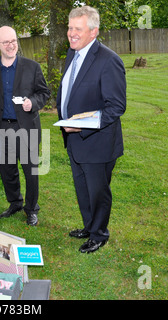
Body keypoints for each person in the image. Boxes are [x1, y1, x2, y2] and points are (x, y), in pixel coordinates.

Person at [56, 6, 126, 253]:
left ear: (93, 31)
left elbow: (116, 107)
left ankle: (99, 234)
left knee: (98, 192)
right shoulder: (72, 54)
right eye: (69, 28)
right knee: (82, 189)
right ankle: (89, 226)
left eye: (77, 29)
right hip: (74, 139)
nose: (71, 33)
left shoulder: (109, 60)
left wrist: (81, 126)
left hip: (97, 142)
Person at [0, 26, 50, 226]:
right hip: (1, 127)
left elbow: (44, 93)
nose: (11, 45)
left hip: (26, 127)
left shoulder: (32, 67)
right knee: (7, 170)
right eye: (6, 42)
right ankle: (15, 203)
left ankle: (31, 209)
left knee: (31, 170)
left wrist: (33, 103)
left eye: (14, 41)